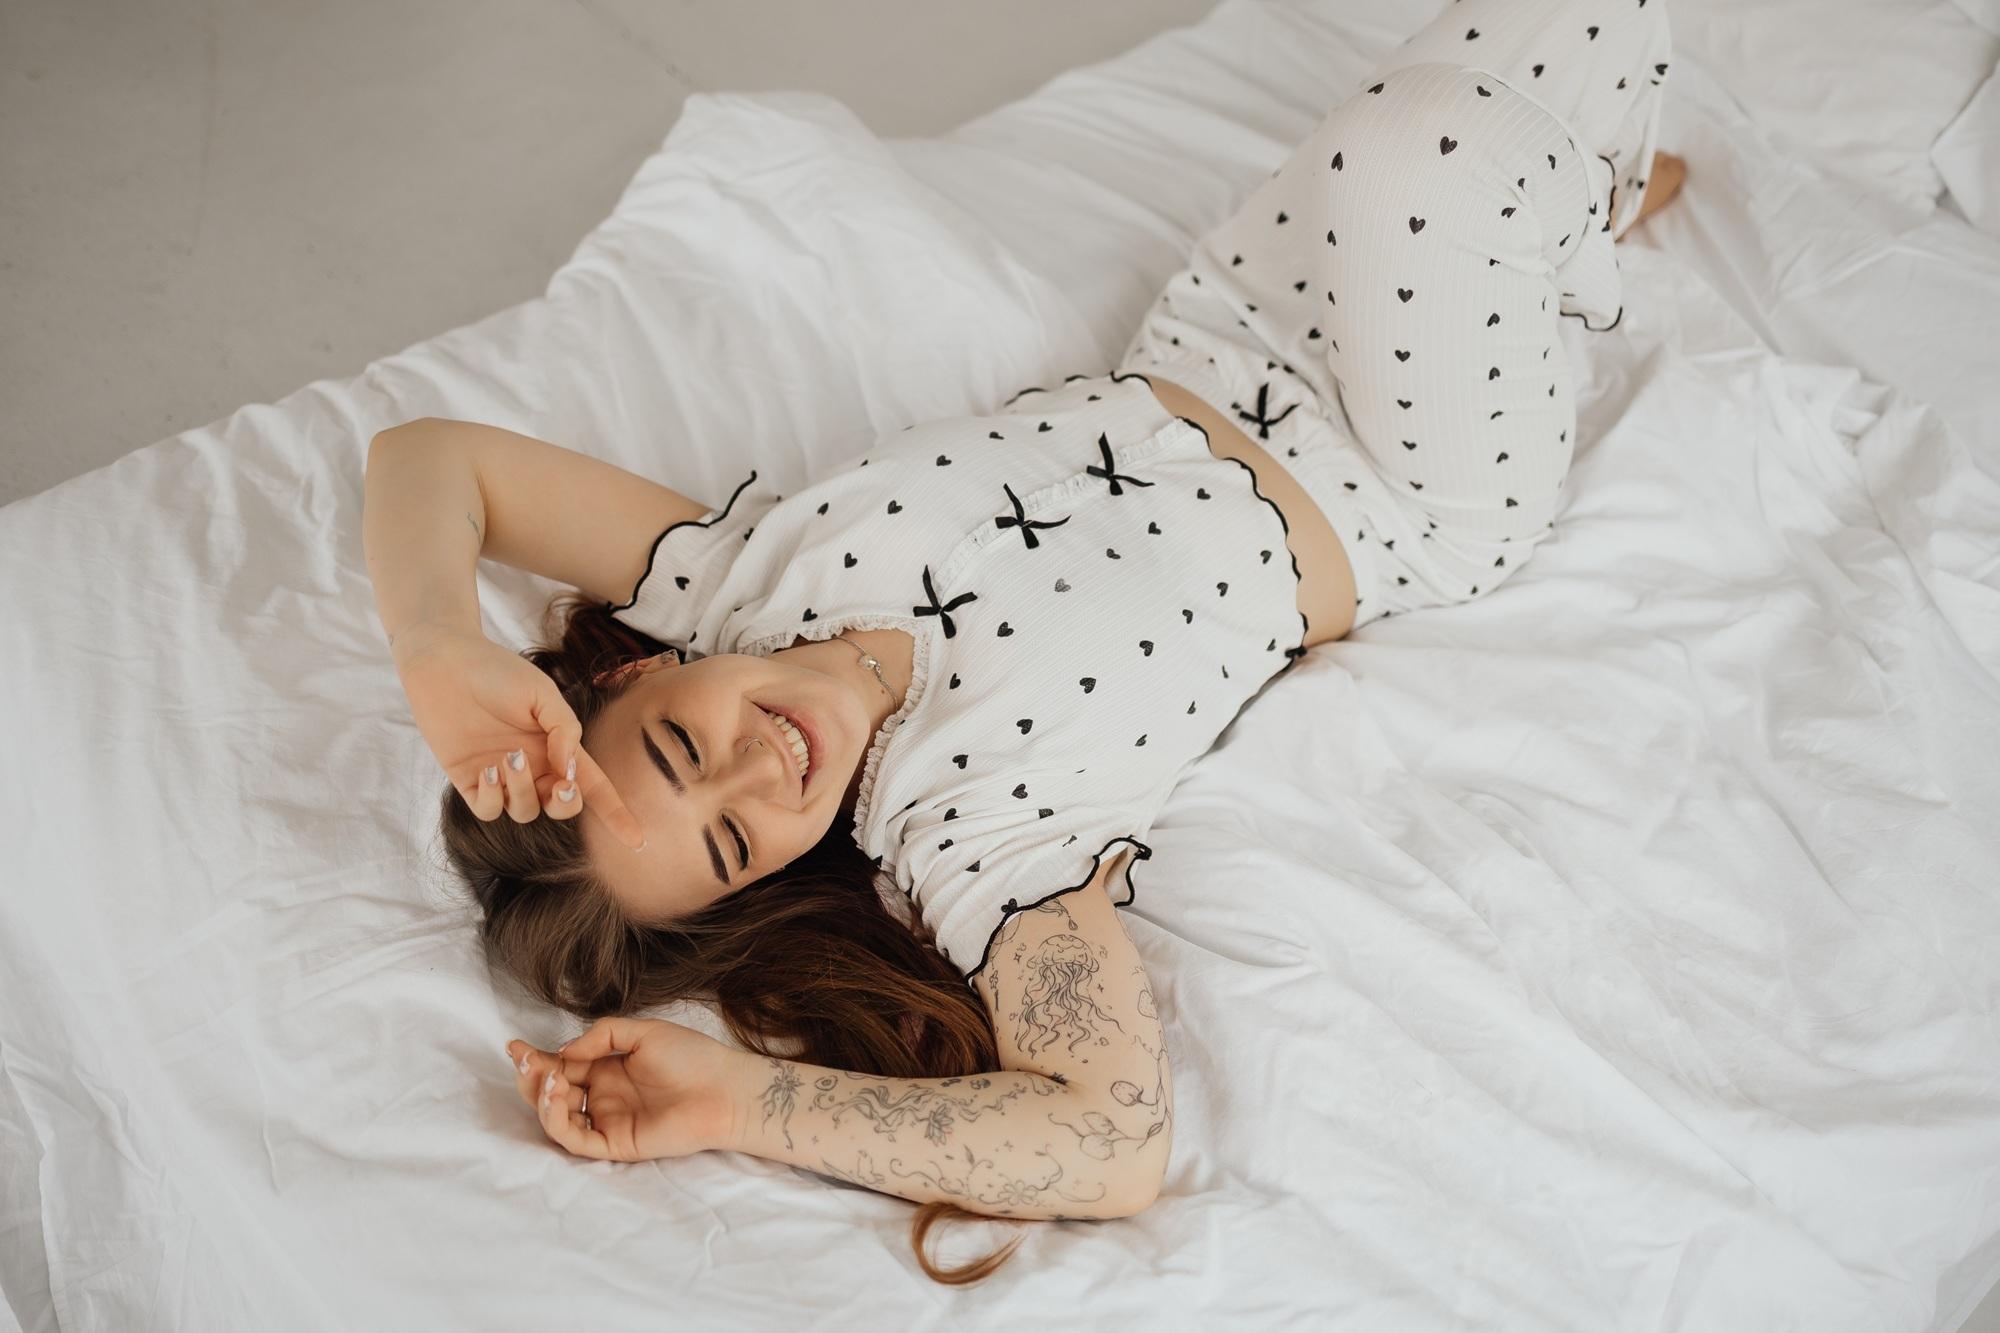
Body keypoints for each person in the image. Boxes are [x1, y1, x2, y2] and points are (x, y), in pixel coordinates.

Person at [368, 0, 1681, 1285]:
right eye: (731, 841)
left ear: (640, 669)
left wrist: (436, 645)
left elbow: (429, 459)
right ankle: (1566, 239)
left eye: (678, 749)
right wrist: (738, 1101)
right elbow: (1111, 1143)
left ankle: (1562, 226)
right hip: (1401, 491)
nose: (758, 770)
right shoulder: (971, 836)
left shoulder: (731, 577)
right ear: (763, 882)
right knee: (1429, 148)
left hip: (1233, 319)